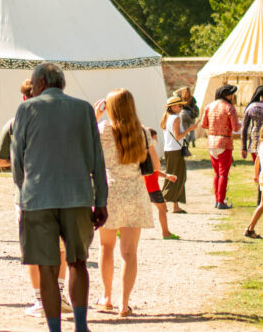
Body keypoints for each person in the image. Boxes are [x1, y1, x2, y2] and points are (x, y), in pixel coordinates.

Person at [11, 62, 108, 332]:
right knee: (78, 262)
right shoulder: (84, 109)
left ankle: (54, 328)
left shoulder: (26, 109)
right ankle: (80, 326)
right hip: (77, 196)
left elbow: (16, 158)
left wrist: (24, 191)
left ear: (40, 84)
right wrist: (100, 200)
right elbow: (96, 159)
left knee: (46, 267)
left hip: (37, 196)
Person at [0, 78, 72, 318]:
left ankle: (40, 299)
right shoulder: (62, 119)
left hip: (27, 192)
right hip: (59, 189)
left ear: (24, 98)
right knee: (60, 246)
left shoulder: (14, 122)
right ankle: (59, 295)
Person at [93, 88, 156, 317]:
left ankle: (107, 296)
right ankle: (124, 302)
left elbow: (83, 142)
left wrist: (94, 115)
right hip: (135, 194)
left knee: (106, 247)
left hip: (108, 193)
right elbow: (155, 166)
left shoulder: (101, 130)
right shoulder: (142, 132)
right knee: (130, 253)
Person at [201, 84, 240, 209]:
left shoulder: (209, 106)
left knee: (217, 174)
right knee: (223, 174)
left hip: (211, 142)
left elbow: (203, 124)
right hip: (224, 141)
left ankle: (217, 200)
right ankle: (221, 201)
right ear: (227, 95)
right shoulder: (229, 107)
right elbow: (235, 127)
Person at [161, 94, 197, 214]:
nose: (181, 107)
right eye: (179, 105)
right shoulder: (175, 118)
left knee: (176, 176)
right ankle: (164, 200)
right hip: (174, 150)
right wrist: (189, 130)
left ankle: (175, 205)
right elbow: (178, 136)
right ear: (174, 107)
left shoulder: (168, 117)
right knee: (177, 177)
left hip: (170, 150)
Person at [142, 128, 179, 239]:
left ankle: (120, 230)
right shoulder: (149, 153)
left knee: (130, 208)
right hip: (152, 188)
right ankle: (165, 233)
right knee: (162, 208)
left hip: (145, 187)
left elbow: (154, 171)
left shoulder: (143, 152)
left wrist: (167, 176)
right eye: (155, 139)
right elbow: (153, 169)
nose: (156, 141)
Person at [245, 122, 263, 239]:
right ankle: (250, 228)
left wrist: (256, 175)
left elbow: (257, 161)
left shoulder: (262, 145)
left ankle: (250, 229)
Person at [242, 85, 263, 162]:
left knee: (257, 167)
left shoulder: (251, 107)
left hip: (255, 142)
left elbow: (244, 127)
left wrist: (243, 147)